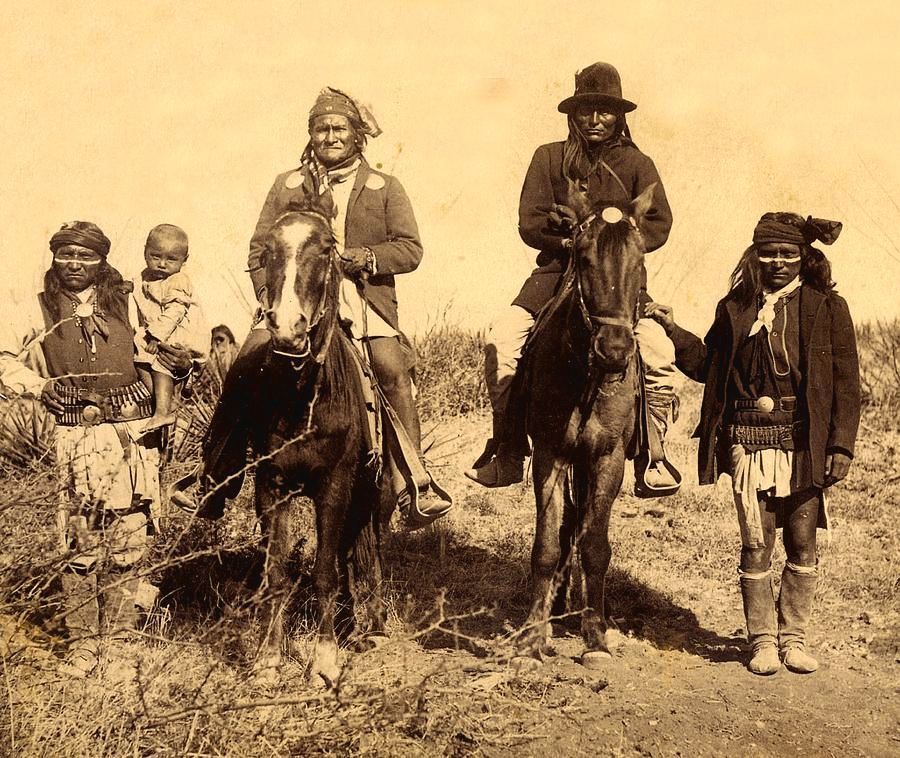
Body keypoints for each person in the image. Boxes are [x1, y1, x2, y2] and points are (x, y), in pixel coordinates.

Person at [185, 86, 435, 518]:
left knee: (391, 369)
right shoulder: (288, 185)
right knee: (244, 365)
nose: (330, 136)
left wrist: (369, 258)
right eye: (321, 129)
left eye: (340, 128)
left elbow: (410, 248)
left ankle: (415, 482)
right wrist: (271, 299)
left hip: (361, 300)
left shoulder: (383, 186)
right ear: (311, 134)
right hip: (293, 300)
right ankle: (215, 478)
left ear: (358, 135)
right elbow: (259, 249)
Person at [645, 212, 860, 675]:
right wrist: (672, 329)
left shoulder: (827, 306)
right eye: (769, 253)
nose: (778, 262)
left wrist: (841, 446)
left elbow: (846, 383)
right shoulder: (735, 308)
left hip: (805, 440)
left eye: (788, 253)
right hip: (748, 439)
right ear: (755, 256)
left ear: (804, 257)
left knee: (802, 541)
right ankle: (762, 642)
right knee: (756, 543)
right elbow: (709, 367)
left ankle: (794, 639)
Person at [465, 62, 681, 494]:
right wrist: (570, 238)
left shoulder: (639, 164)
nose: (595, 119)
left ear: (620, 115)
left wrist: (617, 243)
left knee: (660, 356)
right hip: (554, 274)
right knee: (503, 341)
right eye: (586, 110)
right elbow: (530, 220)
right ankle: (507, 448)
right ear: (573, 114)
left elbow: (658, 222)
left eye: (605, 110)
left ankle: (653, 455)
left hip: (617, 285)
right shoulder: (548, 157)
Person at [0, 221, 192, 677]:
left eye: (85, 256)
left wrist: (178, 363)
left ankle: (120, 643)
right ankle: (84, 644)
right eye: (66, 255)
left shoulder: (132, 300)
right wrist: (37, 385)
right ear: (55, 259)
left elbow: (166, 348)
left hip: (130, 436)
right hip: (76, 440)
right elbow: (4, 357)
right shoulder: (38, 307)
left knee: (128, 539)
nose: (75, 264)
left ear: (101, 261)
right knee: (81, 541)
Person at [133, 224, 208, 432]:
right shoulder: (145, 277)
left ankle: (162, 412)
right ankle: (163, 404)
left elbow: (175, 311)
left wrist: (156, 337)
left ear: (185, 260)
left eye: (171, 259)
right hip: (161, 331)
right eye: (155, 256)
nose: (162, 264)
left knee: (160, 363)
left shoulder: (178, 279)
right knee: (140, 356)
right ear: (145, 252)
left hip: (178, 332)